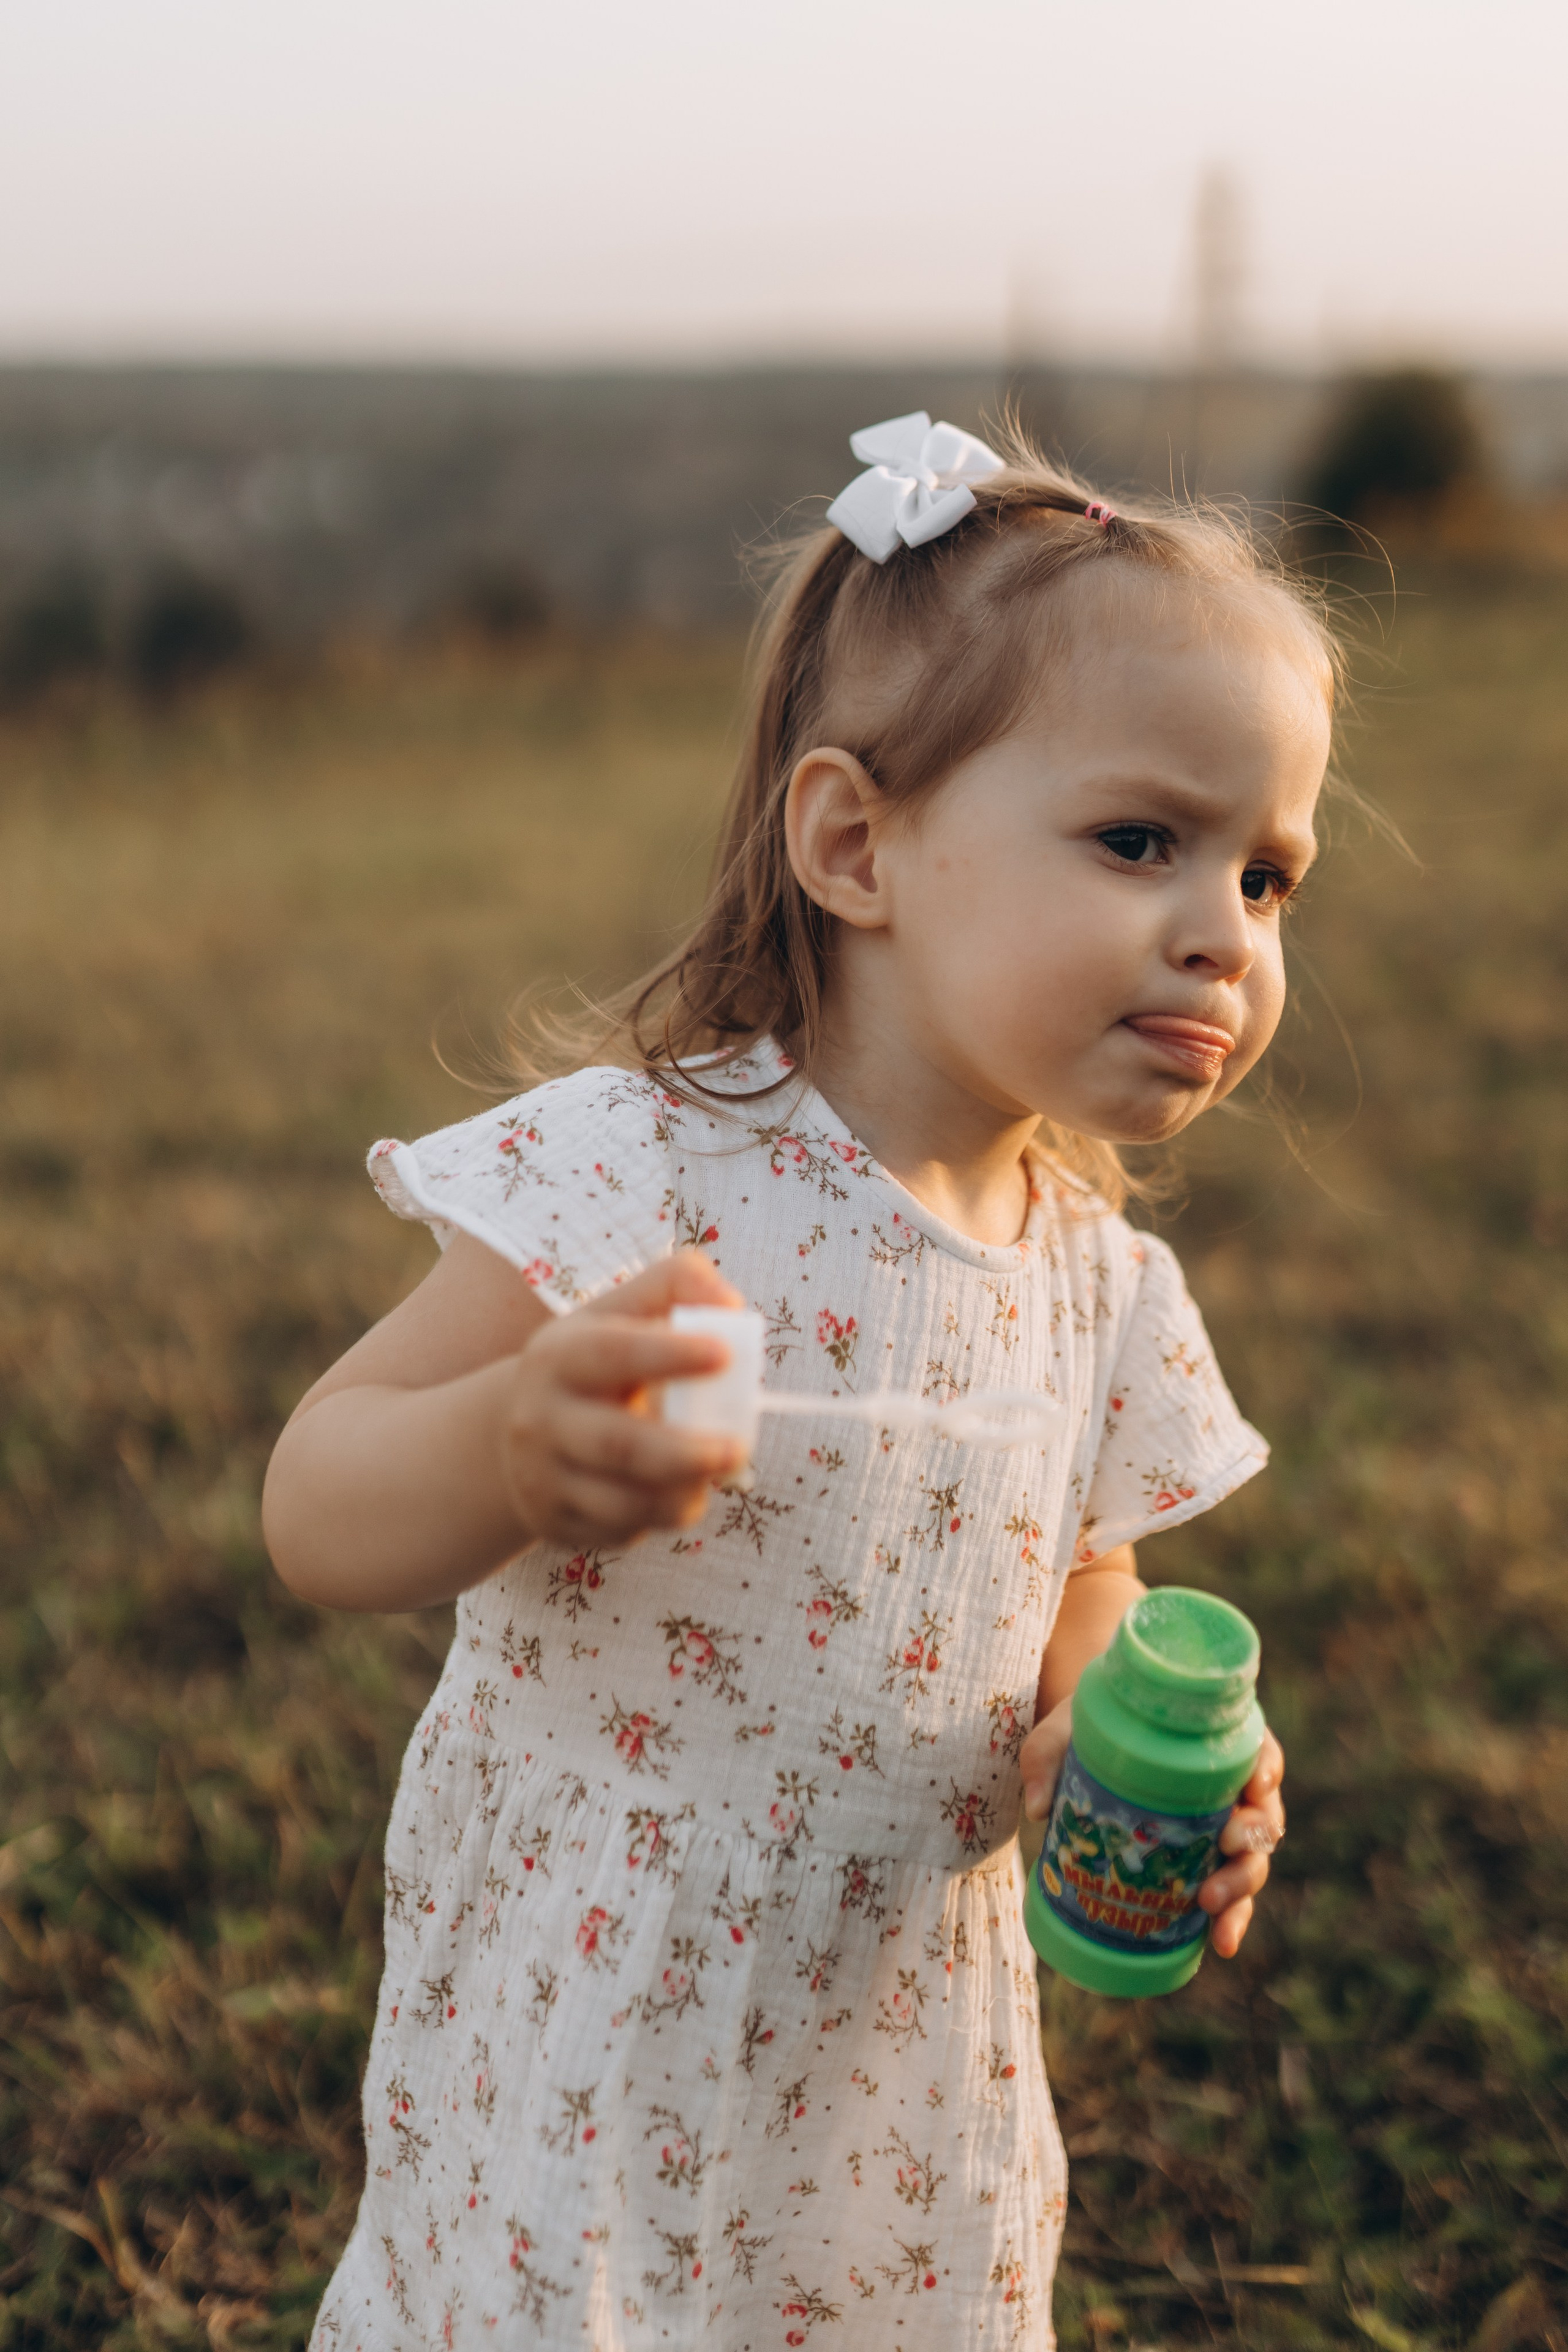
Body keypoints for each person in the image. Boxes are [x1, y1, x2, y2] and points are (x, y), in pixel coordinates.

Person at [265, 410, 1313, 2351]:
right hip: (603, 2008)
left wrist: (1118, 1750)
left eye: (1269, 878)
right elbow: (316, 1501)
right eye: (1141, 840)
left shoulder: (1100, 1285)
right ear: (856, 844)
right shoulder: (644, 1170)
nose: (1218, 935)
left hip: (895, 2042)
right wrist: (513, 1442)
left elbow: (1082, 1595)